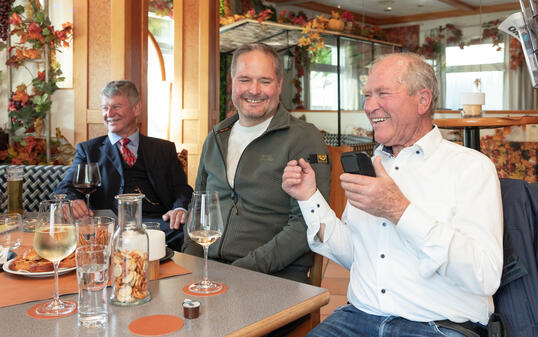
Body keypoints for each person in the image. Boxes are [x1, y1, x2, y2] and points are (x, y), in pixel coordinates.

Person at [282, 53, 503, 337]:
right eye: (367, 96)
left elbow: (483, 276)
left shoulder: (471, 168)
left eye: (383, 94)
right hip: (358, 318)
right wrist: (308, 197)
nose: (370, 107)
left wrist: (399, 210)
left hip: (436, 326)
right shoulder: (375, 165)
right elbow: (353, 255)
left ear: (422, 101)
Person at [182, 43, 331, 284]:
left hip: (274, 278)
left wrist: (240, 271)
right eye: (245, 79)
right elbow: (197, 207)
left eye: (265, 81)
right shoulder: (216, 136)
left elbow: (308, 224)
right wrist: (191, 263)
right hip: (208, 271)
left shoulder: (304, 138)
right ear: (232, 83)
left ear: (279, 85)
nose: (254, 90)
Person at [55, 80, 193, 251]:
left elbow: (182, 189)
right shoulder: (88, 150)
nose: (109, 113)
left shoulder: (164, 149)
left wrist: (179, 208)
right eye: (105, 108)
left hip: (158, 226)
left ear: (137, 108)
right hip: (108, 227)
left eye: (116, 106)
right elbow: (65, 188)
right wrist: (72, 200)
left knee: (189, 235)